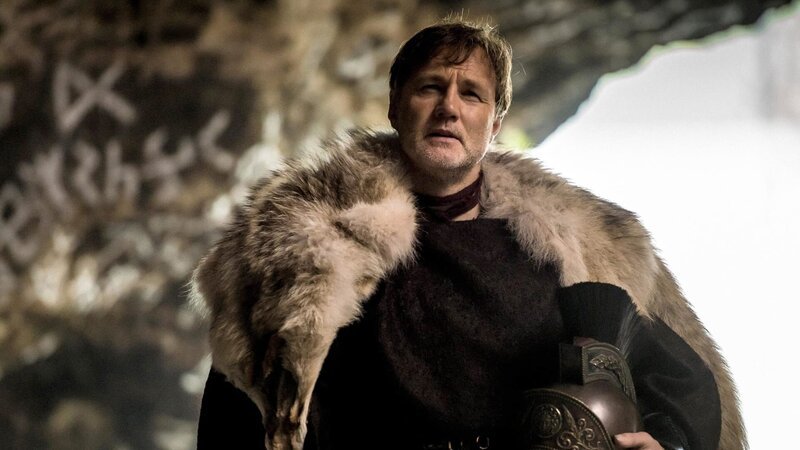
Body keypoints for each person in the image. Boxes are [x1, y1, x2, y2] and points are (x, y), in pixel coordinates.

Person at [192, 19, 743, 450]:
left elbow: (681, 381)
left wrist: (665, 443)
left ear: (494, 123)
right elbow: (239, 408)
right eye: (430, 87)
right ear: (395, 106)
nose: (449, 108)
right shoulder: (309, 247)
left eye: (472, 94)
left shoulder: (566, 254)